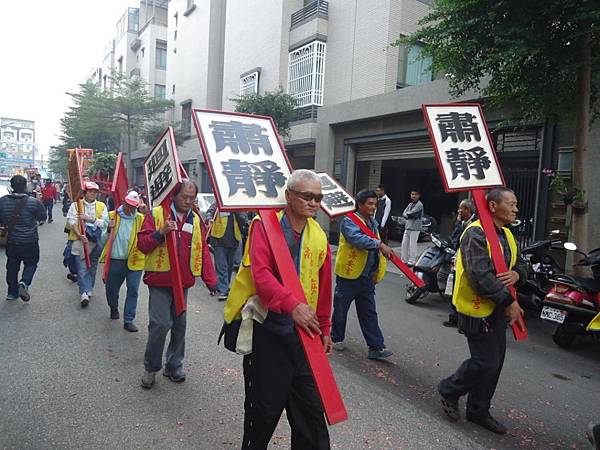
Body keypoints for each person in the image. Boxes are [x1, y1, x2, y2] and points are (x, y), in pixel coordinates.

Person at [223, 169, 333, 449]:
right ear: (288, 196)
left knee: (312, 419)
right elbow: (261, 275)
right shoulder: (264, 226)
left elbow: (324, 286)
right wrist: (292, 305)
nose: (313, 202)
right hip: (269, 333)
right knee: (263, 414)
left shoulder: (319, 235)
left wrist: (326, 328)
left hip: (305, 338)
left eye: (318, 197)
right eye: (307, 196)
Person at [438, 187, 527, 435]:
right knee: (485, 361)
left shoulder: (507, 235)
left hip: (497, 309)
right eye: (511, 204)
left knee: (495, 362)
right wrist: (508, 302)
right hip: (476, 310)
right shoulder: (475, 234)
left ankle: (478, 409)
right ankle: (449, 388)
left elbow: (522, 263)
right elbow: (479, 276)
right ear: (492, 206)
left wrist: (518, 273)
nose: (515, 209)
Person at [137, 180, 217, 388]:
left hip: (183, 282)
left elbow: (203, 251)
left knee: (180, 326)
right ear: (173, 195)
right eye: (184, 197)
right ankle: (151, 367)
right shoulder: (156, 214)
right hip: (160, 280)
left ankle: (174, 365)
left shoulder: (196, 219)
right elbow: (143, 245)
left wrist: (211, 281)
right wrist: (160, 233)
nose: (188, 201)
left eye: (192, 198)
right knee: (160, 324)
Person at [331, 189, 395, 360]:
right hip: (349, 275)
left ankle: (375, 347)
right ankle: (336, 337)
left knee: (368, 312)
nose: (374, 207)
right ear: (359, 205)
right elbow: (357, 239)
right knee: (341, 308)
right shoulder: (349, 221)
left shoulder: (372, 222)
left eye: (375, 204)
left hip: (366, 276)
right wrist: (380, 245)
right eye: (370, 204)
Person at [99, 191, 145, 332]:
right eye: (128, 205)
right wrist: (108, 229)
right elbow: (102, 240)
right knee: (112, 289)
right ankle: (113, 308)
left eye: (134, 207)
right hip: (116, 260)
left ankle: (128, 319)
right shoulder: (112, 216)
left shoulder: (140, 218)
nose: (130, 209)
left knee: (133, 290)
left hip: (135, 260)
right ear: (123, 203)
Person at [0, 175, 46, 301]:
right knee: (31, 263)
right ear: (26, 186)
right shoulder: (33, 202)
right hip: (30, 240)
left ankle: (12, 292)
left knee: (12, 266)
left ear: (11, 186)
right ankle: (24, 283)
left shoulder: (2, 201)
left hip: (12, 241)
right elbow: (43, 217)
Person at [67, 181, 108, 307]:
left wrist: (89, 219)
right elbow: (72, 222)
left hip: (96, 241)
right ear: (85, 192)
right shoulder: (76, 205)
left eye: (95, 192)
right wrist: (80, 235)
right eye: (90, 191)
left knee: (93, 266)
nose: (92, 194)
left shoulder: (102, 206)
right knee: (81, 267)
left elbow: (105, 224)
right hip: (80, 240)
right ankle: (84, 292)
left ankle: (89, 288)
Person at [444, 198, 477, 328]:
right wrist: (458, 223)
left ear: (467, 210)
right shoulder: (462, 223)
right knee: (456, 288)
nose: (458, 211)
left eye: (460, 209)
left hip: (470, 262)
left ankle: (465, 321)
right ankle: (454, 317)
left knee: (466, 290)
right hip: (459, 260)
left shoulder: (475, 224)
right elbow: (455, 241)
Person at [206, 202, 247, 301]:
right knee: (222, 266)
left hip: (234, 239)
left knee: (229, 266)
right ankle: (223, 289)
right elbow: (210, 212)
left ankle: (225, 286)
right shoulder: (218, 202)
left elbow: (243, 219)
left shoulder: (237, 205)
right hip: (218, 238)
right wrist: (209, 219)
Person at [400, 190, 424, 266]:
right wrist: (407, 214)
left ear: (419, 196)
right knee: (404, 244)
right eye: (412, 194)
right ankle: (404, 260)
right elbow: (404, 213)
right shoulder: (410, 204)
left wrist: (407, 214)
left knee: (412, 244)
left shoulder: (420, 205)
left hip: (415, 227)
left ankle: (412, 261)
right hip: (408, 226)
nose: (413, 196)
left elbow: (411, 214)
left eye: (415, 194)